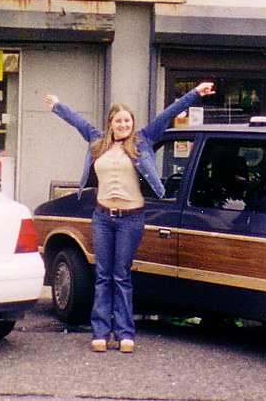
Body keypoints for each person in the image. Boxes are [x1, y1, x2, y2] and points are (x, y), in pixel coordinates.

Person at [44, 82, 215, 353]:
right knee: (102, 275)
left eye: (128, 120)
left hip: (130, 219)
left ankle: (125, 334)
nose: (123, 125)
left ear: (132, 124)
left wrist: (195, 94)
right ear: (110, 123)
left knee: (120, 275)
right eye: (118, 120)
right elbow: (78, 122)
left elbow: (167, 114)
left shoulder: (142, 142)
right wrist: (57, 106)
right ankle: (100, 333)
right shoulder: (97, 142)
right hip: (101, 218)